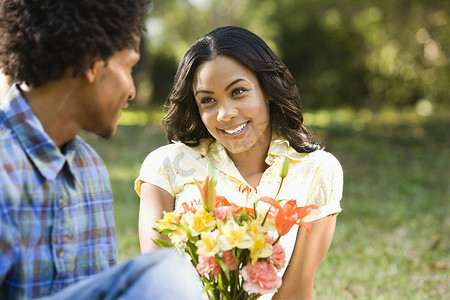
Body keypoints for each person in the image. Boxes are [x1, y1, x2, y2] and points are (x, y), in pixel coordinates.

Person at [0, 1, 202, 299]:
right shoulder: (5, 171)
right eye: (129, 66)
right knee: (167, 277)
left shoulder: (89, 168)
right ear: (91, 62)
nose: (132, 90)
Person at [135, 26, 344, 299]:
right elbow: (156, 285)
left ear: (268, 89)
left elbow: (295, 291)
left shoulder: (317, 171)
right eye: (207, 100)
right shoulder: (166, 166)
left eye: (238, 91)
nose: (225, 114)